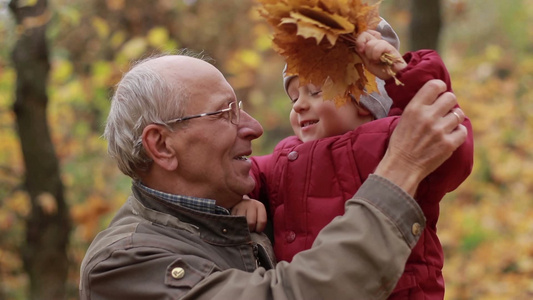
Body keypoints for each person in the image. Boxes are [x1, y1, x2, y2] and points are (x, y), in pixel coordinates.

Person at [79, 50, 468, 299]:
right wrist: (399, 171)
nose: (254, 127)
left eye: (241, 107)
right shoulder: (121, 265)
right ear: (162, 146)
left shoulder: (241, 205)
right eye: (224, 113)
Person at [232, 23, 474, 300]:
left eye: (315, 92)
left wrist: (400, 71)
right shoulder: (287, 156)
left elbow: (448, 142)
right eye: (294, 97)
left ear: (364, 101)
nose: (299, 105)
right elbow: (243, 175)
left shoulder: (389, 141)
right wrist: (245, 197)